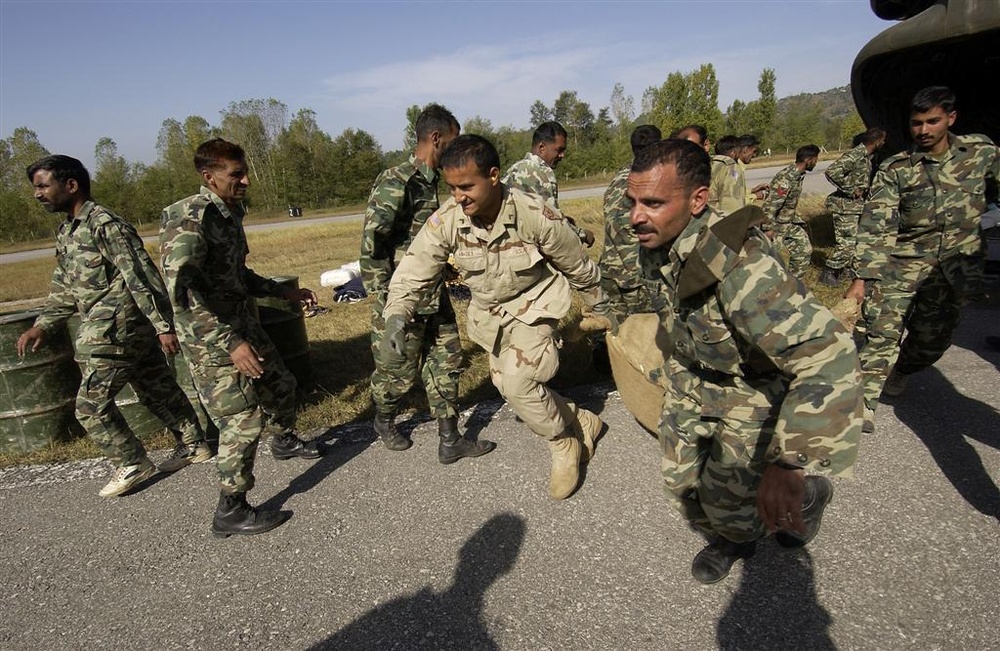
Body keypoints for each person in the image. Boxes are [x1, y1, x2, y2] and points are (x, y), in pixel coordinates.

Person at [629, 139, 862, 584]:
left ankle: (798, 503)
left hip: (750, 391)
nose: (637, 215)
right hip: (693, 380)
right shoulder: (658, 238)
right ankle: (732, 530)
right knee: (682, 488)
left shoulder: (742, 268)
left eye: (653, 202)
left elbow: (828, 355)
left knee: (733, 509)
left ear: (698, 199)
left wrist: (790, 464)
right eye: (633, 201)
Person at [383, 135, 612, 500]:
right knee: (507, 387)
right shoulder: (449, 220)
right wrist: (397, 314)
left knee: (521, 383)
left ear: (493, 176)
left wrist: (604, 310)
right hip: (492, 316)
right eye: (452, 188)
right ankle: (580, 419)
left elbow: (579, 267)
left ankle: (562, 443)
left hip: (536, 306)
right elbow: (414, 270)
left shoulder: (534, 215)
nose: (459, 196)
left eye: (466, 186)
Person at [16, 155, 210, 497]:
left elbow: (141, 275)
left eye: (43, 186)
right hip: (112, 328)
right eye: (36, 187)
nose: (38, 194)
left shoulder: (105, 224)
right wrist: (43, 326)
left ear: (71, 185)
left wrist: (163, 324)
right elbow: (64, 287)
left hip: (116, 330)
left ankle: (132, 462)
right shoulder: (67, 231)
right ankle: (195, 445)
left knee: (90, 406)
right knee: (155, 388)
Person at [160, 138, 322, 537]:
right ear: (208, 177)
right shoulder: (189, 218)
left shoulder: (229, 212)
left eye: (244, 171)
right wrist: (230, 343)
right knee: (242, 419)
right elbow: (183, 295)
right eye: (236, 174)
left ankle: (283, 441)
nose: (246, 180)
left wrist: (281, 291)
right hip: (211, 339)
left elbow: (234, 277)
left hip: (241, 325)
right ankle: (230, 508)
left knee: (282, 384)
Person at [846, 87, 999, 432]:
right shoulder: (896, 168)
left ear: (951, 118)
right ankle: (864, 402)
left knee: (933, 340)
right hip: (902, 262)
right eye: (917, 123)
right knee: (880, 331)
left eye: (933, 121)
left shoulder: (981, 152)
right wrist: (862, 278)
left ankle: (902, 368)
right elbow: (875, 224)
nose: (924, 130)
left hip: (955, 266)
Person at [360, 103, 494, 462]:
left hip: (435, 292)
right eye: (453, 139)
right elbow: (373, 247)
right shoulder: (397, 182)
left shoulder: (441, 183)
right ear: (436, 139)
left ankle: (450, 439)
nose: (458, 146)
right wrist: (385, 303)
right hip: (403, 296)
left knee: (447, 360)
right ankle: (383, 419)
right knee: (398, 373)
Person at [598, 124, 662, 322]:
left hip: (610, 271)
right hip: (635, 275)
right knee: (644, 333)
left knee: (612, 331)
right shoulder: (649, 178)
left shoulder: (621, 175)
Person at [502, 121, 595, 247]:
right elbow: (554, 225)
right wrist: (582, 234)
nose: (562, 155)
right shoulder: (543, 173)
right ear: (542, 147)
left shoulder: (513, 169)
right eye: (559, 150)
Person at [819, 127, 887, 286]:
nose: (884, 144)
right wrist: (850, 189)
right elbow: (832, 172)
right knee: (846, 245)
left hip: (854, 206)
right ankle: (829, 272)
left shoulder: (866, 157)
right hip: (845, 207)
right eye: (883, 141)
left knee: (854, 242)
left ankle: (844, 271)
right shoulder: (856, 154)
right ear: (877, 142)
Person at [762, 144, 821, 277]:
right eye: (815, 159)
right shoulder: (788, 178)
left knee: (804, 250)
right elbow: (771, 206)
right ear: (808, 160)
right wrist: (767, 229)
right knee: (769, 263)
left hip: (788, 223)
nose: (816, 163)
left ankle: (793, 284)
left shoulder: (798, 175)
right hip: (776, 226)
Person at [708, 135, 745, 215]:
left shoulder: (709, 164)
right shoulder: (730, 167)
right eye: (739, 153)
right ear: (733, 153)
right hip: (721, 220)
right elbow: (732, 202)